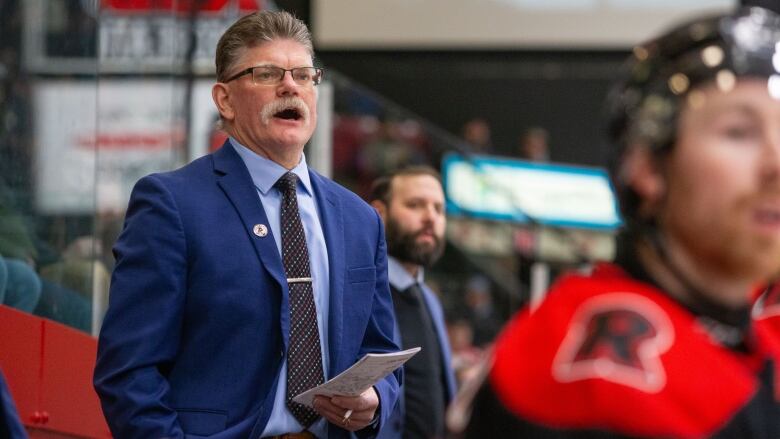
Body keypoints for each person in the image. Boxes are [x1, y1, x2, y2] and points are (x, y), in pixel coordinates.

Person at [466, 6, 780, 438]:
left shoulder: (735, 334)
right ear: (648, 167)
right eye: (738, 132)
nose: (776, 163)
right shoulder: (607, 366)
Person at [94, 11, 400, 439]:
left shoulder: (360, 218)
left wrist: (377, 400)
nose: (290, 86)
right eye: (266, 73)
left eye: (303, 75)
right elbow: (129, 372)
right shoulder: (171, 204)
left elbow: (382, 352)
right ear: (225, 100)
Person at [369, 166, 456, 439]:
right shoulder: (359, 291)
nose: (430, 217)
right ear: (380, 213)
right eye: (415, 205)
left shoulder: (429, 299)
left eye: (439, 209)